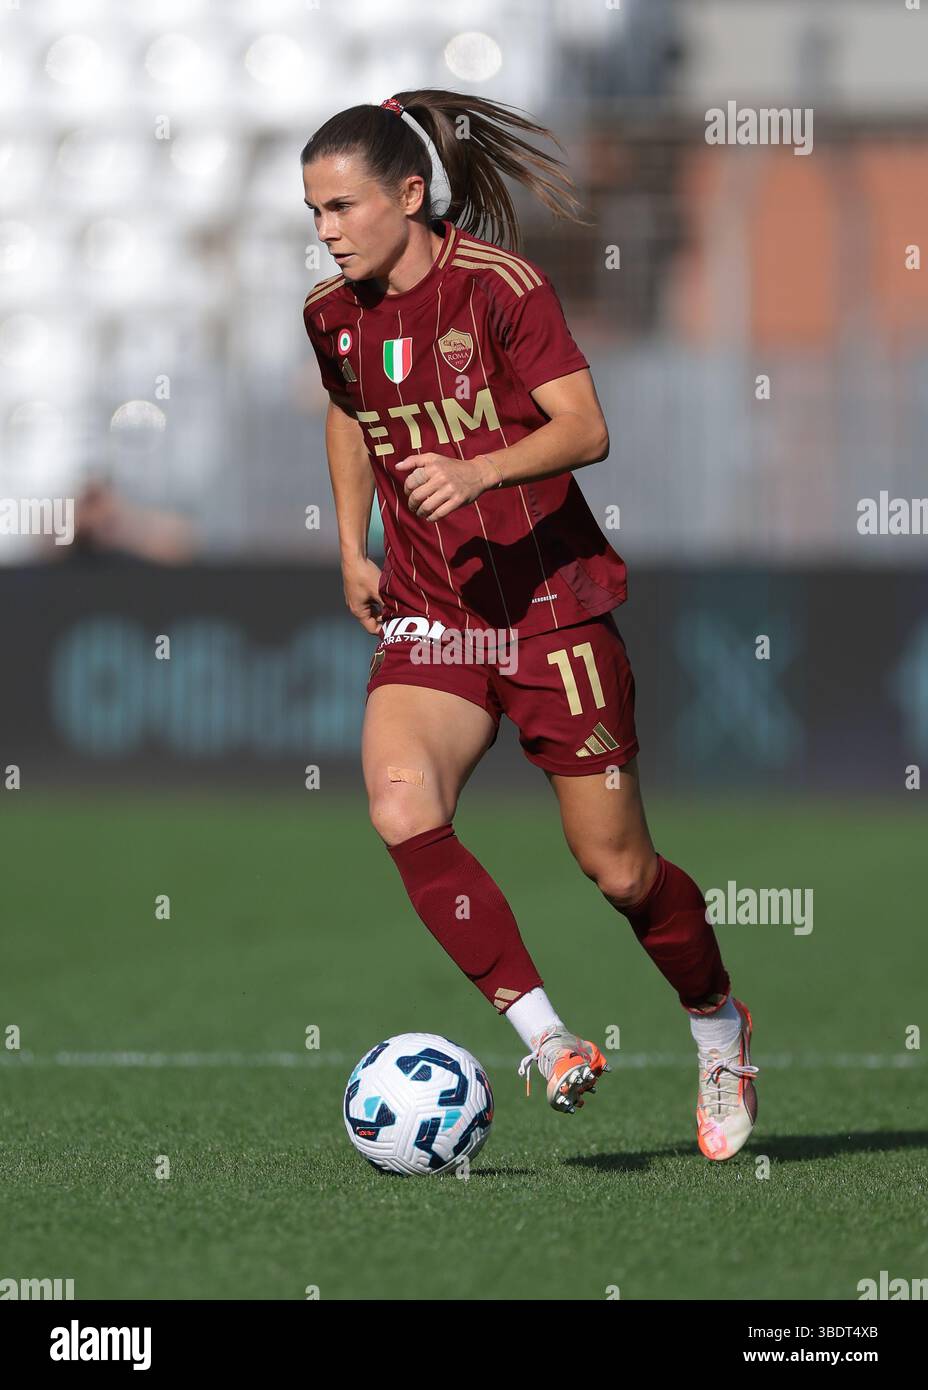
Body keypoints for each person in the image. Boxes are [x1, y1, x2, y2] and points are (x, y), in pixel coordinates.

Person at [300, 89, 758, 1160]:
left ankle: (717, 1025)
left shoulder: (502, 289)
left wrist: (477, 467)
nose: (324, 230)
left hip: (551, 615)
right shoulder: (334, 313)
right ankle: (546, 1038)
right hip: (432, 611)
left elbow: (585, 428)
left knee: (621, 873)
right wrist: (349, 542)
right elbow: (347, 408)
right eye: (313, 210)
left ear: (409, 196)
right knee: (400, 801)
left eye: (340, 206)